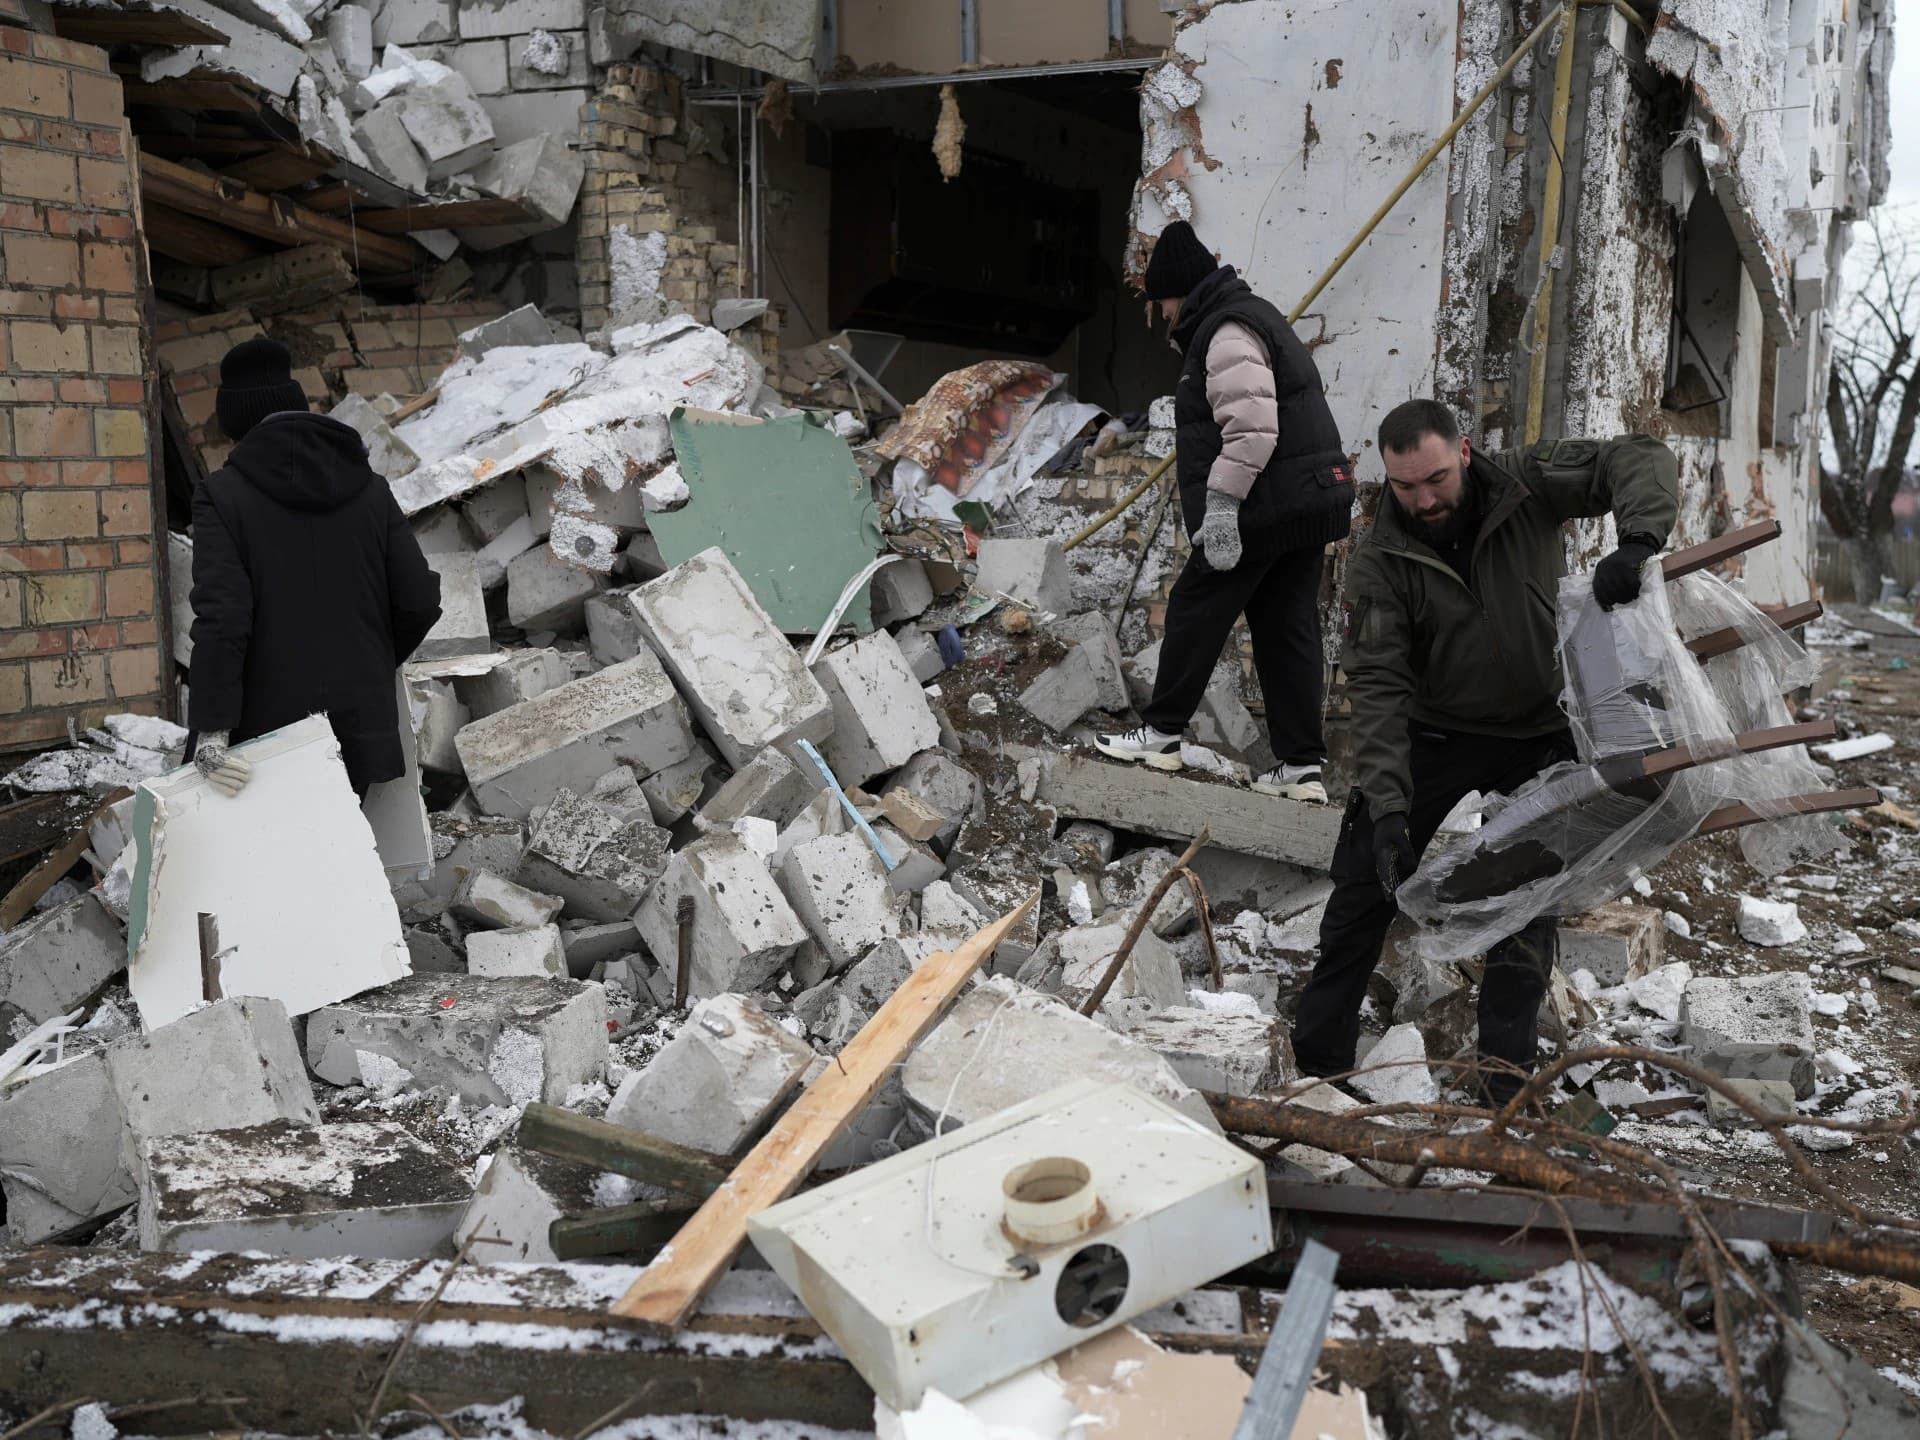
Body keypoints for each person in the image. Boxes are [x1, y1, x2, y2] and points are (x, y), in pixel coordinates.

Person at [1290, 399, 1679, 1102]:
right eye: (1405, 486)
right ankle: (1318, 1071)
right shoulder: (1381, 560)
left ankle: (1506, 1087)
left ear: (1464, 453)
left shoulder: (1528, 484)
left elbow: (1638, 456)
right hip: (1438, 731)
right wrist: (1387, 809)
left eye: (1436, 479)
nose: (1423, 500)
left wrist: (1637, 541)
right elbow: (1378, 689)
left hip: (1541, 731)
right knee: (1363, 881)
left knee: (1526, 903)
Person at [1094, 221, 1353, 803]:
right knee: (1286, 625)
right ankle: (1301, 769)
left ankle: (1161, 734)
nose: (1162, 313)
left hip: (1266, 501)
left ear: (1180, 290)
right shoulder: (1249, 316)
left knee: (1195, 605)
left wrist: (1220, 506)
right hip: (1307, 497)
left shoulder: (1227, 330)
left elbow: (1253, 430)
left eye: (1162, 300)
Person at [187, 337, 442, 799]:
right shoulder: (369, 488)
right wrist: (368, 665)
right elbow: (418, 600)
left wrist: (212, 729)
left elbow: (223, 617)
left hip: (262, 741)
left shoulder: (222, 496)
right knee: (341, 845)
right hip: (358, 728)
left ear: (233, 423)